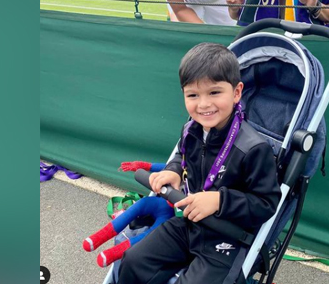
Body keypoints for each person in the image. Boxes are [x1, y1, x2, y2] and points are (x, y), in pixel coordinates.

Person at [117, 42, 281, 284]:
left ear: (236, 93)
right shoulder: (191, 130)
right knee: (133, 260)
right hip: (189, 223)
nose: (203, 104)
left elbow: (267, 204)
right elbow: (181, 157)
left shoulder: (253, 148)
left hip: (227, 237)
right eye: (193, 95)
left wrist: (220, 200)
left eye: (214, 92)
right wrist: (172, 171)